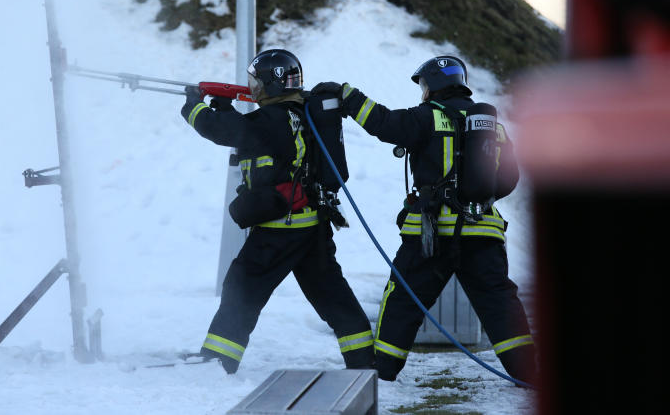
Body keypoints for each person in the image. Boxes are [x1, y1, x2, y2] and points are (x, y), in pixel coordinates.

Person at [312, 55, 535, 383]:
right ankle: (529, 373)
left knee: (402, 300)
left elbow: (383, 123)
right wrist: (474, 202)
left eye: (425, 86)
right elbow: (510, 178)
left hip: (431, 235)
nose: (423, 92)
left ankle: (381, 373)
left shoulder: (427, 117)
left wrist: (348, 95)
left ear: (435, 85)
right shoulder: (492, 126)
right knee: (500, 304)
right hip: (484, 233)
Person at [180, 49, 375, 374]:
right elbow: (246, 129)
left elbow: (223, 130)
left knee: (242, 286)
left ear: (271, 83)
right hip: (313, 225)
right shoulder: (307, 114)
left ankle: (218, 360)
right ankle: (364, 359)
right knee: (331, 295)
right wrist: (225, 105)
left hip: (279, 230)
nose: (252, 88)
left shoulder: (270, 119)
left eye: (256, 82)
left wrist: (193, 105)